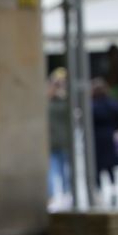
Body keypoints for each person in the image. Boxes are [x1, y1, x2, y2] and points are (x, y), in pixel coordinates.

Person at [91, 79, 118, 206]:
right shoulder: (113, 104)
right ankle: (113, 189)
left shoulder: (91, 105)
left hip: (95, 139)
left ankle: (99, 194)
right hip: (110, 137)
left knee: (97, 167)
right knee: (110, 166)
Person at [47, 68, 72, 206]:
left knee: (64, 171)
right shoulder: (48, 101)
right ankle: (53, 196)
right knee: (53, 171)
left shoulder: (65, 100)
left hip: (64, 142)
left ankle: (66, 194)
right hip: (52, 142)